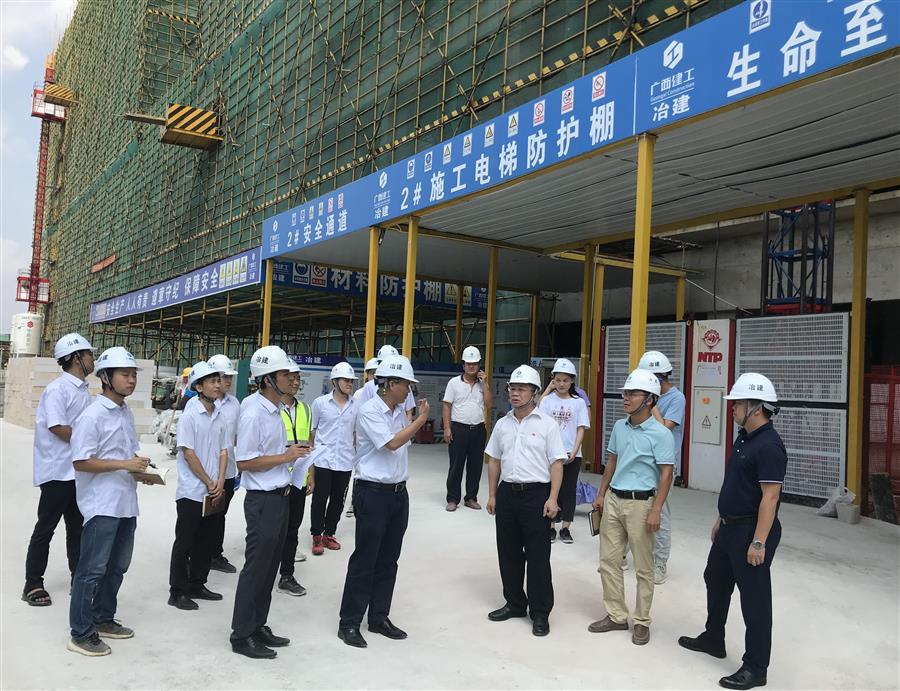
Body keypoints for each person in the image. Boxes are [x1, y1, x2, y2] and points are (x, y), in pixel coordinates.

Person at [678, 373, 786, 691]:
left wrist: (759, 541)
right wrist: (720, 518)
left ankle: (756, 667)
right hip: (729, 526)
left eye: (737, 403)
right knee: (715, 578)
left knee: (754, 600)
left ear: (756, 407)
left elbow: (770, 497)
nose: (733, 408)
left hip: (751, 531)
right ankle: (714, 638)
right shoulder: (744, 437)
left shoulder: (769, 446)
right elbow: (735, 485)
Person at [337, 355, 430, 649]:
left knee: (389, 559)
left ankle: (379, 617)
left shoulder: (399, 411)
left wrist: (411, 419)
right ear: (390, 384)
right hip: (373, 492)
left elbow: (401, 441)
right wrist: (421, 420)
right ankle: (349, 622)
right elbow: (392, 443)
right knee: (366, 558)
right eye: (406, 385)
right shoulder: (369, 411)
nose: (409, 391)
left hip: (397, 493)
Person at [67, 347, 150, 657]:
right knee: (91, 570)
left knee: (117, 567)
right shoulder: (92, 416)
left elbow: (124, 453)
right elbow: (81, 461)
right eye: (125, 375)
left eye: (133, 375)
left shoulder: (125, 412)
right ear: (105, 377)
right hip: (102, 504)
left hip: (125, 501)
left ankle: (103, 617)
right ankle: (80, 632)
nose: (131, 380)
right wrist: (125, 464)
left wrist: (141, 469)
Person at [229, 346, 309, 659]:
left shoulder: (276, 409)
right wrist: (286, 457)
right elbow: (244, 462)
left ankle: (258, 624)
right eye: (285, 374)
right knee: (257, 568)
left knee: (270, 567)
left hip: (280, 495)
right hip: (263, 500)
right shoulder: (253, 412)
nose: (292, 379)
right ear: (267, 380)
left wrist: (293, 454)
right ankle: (241, 634)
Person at [590, 368, 674, 646]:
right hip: (614, 499)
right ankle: (616, 615)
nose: (626, 398)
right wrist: (601, 494)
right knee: (609, 561)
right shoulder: (619, 427)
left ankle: (641, 621)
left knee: (643, 566)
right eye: (625, 393)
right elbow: (611, 461)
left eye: (633, 393)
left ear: (649, 399)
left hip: (642, 504)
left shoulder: (661, 434)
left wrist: (656, 509)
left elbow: (666, 473)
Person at [485, 365, 566, 637]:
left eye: (521, 389)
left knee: (538, 556)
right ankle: (515, 603)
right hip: (508, 493)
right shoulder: (502, 424)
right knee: (508, 552)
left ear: (534, 393)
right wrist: (493, 494)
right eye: (512, 388)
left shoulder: (547, 424)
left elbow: (557, 464)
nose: (515, 393)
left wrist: (553, 498)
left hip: (536, 495)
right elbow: (494, 460)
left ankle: (540, 612)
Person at [23, 333, 94, 607]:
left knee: (78, 529)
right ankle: (32, 583)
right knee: (46, 528)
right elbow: (58, 427)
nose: (92, 359)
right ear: (76, 358)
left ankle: (79, 578)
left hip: (77, 472)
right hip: (57, 472)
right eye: (89, 354)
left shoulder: (83, 389)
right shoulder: (58, 389)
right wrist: (89, 442)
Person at [168, 362, 228, 611]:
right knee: (185, 542)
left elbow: (224, 451)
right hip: (192, 491)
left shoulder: (219, 415)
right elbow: (189, 453)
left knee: (205, 540)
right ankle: (177, 591)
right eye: (212, 381)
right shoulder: (190, 416)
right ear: (199, 387)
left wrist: (221, 481)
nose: (218, 385)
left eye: (218, 380)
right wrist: (208, 481)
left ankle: (197, 584)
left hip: (213, 490)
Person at [638, 350, 686, 585]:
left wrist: (652, 403)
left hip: (663, 464)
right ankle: (624, 554)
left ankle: (659, 563)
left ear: (658, 378)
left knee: (660, 513)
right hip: (641, 460)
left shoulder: (676, 399)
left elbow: (665, 429)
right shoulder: (644, 396)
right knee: (632, 507)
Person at [538, 358, 589, 544]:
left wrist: (574, 451)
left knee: (568, 491)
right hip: (551, 454)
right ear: (553, 380)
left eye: (565, 380)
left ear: (572, 381)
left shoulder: (579, 403)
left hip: (571, 454)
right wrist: (547, 390)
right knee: (550, 489)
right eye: (558, 380)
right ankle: (550, 526)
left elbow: (581, 428)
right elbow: (538, 418)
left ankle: (566, 527)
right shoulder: (547, 401)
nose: (561, 384)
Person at [309, 362, 357, 555]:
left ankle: (329, 534)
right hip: (323, 460)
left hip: (344, 461)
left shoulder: (356, 406)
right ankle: (316, 535)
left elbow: (356, 433)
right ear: (334, 382)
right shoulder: (320, 403)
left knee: (338, 500)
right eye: (346, 380)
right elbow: (312, 432)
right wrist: (311, 461)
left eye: (351, 380)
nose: (350, 383)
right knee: (320, 500)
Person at [277, 360, 313, 596]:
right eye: (290, 377)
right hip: (275, 478)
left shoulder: (305, 409)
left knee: (292, 530)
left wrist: (311, 475)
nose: (295, 382)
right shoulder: (271, 409)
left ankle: (287, 575)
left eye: (298, 378)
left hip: (298, 479)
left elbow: (309, 443)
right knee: (272, 532)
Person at [442, 345, 493, 512]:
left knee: (475, 465)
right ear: (463, 365)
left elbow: (489, 404)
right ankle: (452, 498)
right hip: (458, 429)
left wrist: (484, 384)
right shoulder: (454, 383)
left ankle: (471, 498)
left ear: (479, 365)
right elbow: (447, 406)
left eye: (475, 363)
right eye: (468, 363)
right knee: (456, 465)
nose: (471, 366)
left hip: (478, 429)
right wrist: (447, 428)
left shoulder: (482, 385)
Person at [206, 354, 241, 574]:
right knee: (202, 516)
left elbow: (236, 437)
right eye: (223, 376)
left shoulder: (234, 403)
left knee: (220, 514)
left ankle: (214, 554)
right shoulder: (199, 404)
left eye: (229, 377)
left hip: (227, 470)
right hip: (205, 472)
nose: (227, 381)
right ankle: (195, 554)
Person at [347, 357, 378, 518]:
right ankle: (354, 503)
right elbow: (356, 415)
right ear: (367, 375)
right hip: (363, 438)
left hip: (379, 438)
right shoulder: (361, 393)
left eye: (377, 373)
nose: (375, 376)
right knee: (360, 470)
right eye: (372, 373)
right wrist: (354, 435)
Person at [357, 345, 417, 421]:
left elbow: (408, 412)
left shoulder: (404, 387)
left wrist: (407, 425)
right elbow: (363, 410)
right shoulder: (370, 386)